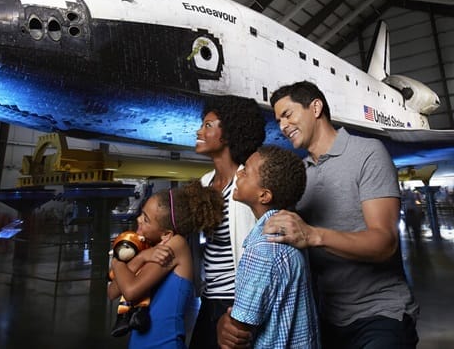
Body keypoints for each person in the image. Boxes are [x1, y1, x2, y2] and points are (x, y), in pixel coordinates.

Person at [220, 81, 418, 348]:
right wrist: (233, 321)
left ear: (316, 107)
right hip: (323, 317)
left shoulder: (367, 153)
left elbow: (385, 243)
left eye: (287, 114)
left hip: (378, 313)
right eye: (278, 120)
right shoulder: (299, 174)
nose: (282, 126)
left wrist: (314, 235)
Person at [217, 145, 319, 348]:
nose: (238, 172)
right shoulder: (292, 238)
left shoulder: (263, 250)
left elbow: (238, 332)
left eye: (245, 171)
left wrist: (222, 323)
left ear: (264, 196)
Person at [108, 181, 225, 349]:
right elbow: (112, 291)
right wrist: (140, 258)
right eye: (142, 213)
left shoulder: (175, 245)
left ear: (166, 234)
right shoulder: (150, 249)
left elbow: (131, 291)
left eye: (146, 220)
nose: (139, 219)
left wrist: (117, 259)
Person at [190, 95, 266, 349]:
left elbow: (263, 255)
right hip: (209, 299)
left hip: (236, 303)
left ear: (229, 133)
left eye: (208, 125)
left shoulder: (248, 185)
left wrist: (240, 311)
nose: (199, 131)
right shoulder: (204, 182)